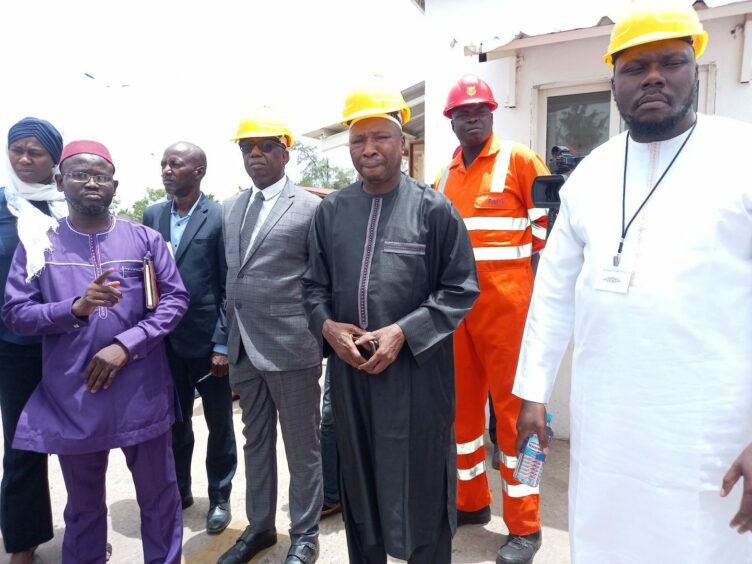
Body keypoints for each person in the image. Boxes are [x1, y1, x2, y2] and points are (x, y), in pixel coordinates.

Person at [513, 2, 752, 562]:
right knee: (605, 539)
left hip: (709, 426)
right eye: (633, 67)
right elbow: (552, 293)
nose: (652, 78)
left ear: (694, 69)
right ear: (613, 82)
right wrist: (532, 392)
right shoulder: (592, 171)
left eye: (670, 62)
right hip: (608, 425)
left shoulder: (742, 156)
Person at [302, 80, 480, 564]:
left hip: (417, 375)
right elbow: (312, 286)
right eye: (358, 140)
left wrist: (404, 331)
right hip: (351, 373)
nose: (369, 149)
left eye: (381, 136)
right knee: (359, 483)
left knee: (421, 483)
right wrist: (327, 327)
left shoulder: (435, 209)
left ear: (404, 143)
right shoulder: (332, 211)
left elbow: (461, 288)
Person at [2, 140, 189, 564]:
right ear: (59, 181)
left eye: (100, 176)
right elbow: (15, 313)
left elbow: (175, 300)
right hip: (75, 397)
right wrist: (74, 308)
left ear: (114, 184)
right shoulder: (39, 245)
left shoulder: (144, 238)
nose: (91, 182)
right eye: (80, 174)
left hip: (142, 392)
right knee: (84, 508)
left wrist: (127, 345)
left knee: (160, 499)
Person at [435, 74, 549, 564]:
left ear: (493, 113)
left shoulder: (519, 160)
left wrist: (526, 294)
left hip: (509, 314)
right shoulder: (444, 176)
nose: (472, 116)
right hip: (457, 314)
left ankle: (526, 525)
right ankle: (471, 502)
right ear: (452, 121)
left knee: (515, 420)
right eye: (463, 111)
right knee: (461, 415)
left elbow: (551, 234)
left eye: (480, 108)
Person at [217, 115, 323, 564]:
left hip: (292, 346)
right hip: (244, 349)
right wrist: (225, 341)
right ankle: (260, 527)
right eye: (246, 148)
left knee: (303, 449)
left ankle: (305, 536)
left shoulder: (311, 207)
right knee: (255, 444)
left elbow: (321, 280)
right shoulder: (231, 208)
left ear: (285, 151)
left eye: (263, 146)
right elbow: (231, 278)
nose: (254, 155)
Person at [143, 142, 237, 534]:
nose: (166, 169)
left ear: (198, 171)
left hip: (205, 342)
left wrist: (220, 344)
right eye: (163, 163)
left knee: (219, 424)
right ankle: (179, 490)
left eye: (175, 164)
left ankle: (220, 496)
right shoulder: (152, 214)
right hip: (163, 343)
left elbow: (227, 285)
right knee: (174, 423)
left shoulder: (219, 217)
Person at [0, 117, 64, 564]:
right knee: (22, 445)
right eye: (16, 150)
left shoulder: (71, 208)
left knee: (81, 443)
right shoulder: (3, 206)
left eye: (35, 152)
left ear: (53, 161)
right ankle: (23, 540)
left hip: (67, 343)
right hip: (14, 348)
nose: (24, 159)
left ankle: (85, 526)